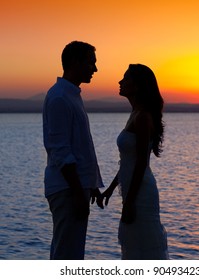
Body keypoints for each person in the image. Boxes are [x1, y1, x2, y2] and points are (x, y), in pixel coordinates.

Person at [42, 41, 104, 260]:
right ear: (75, 62)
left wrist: (92, 183)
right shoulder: (59, 97)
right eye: (91, 63)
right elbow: (60, 150)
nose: (95, 69)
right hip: (67, 189)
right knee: (66, 254)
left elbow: (81, 146)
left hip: (75, 187)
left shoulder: (71, 95)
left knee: (72, 252)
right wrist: (79, 191)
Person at [102, 64, 169, 259]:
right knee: (133, 245)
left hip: (140, 193)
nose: (120, 82)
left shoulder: (142, 117)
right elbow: (127, 161)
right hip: (133, 190)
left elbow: (141, 163)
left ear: (138, 85)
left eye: (125, 78)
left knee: (142, 246)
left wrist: (130, 202)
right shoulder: (135, 114)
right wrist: (112, 188)